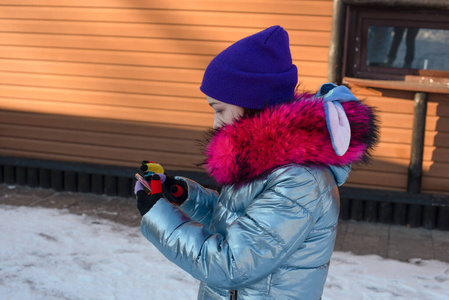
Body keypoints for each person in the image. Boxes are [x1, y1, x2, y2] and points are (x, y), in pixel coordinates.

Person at [134, 25, 379, 300]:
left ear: (253, 102)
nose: (216, 123)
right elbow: (241, 221)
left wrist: (159, 217)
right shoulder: (266, 163)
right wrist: (186, 196)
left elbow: (232, 265)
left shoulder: (298, 179)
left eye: (220, 110)